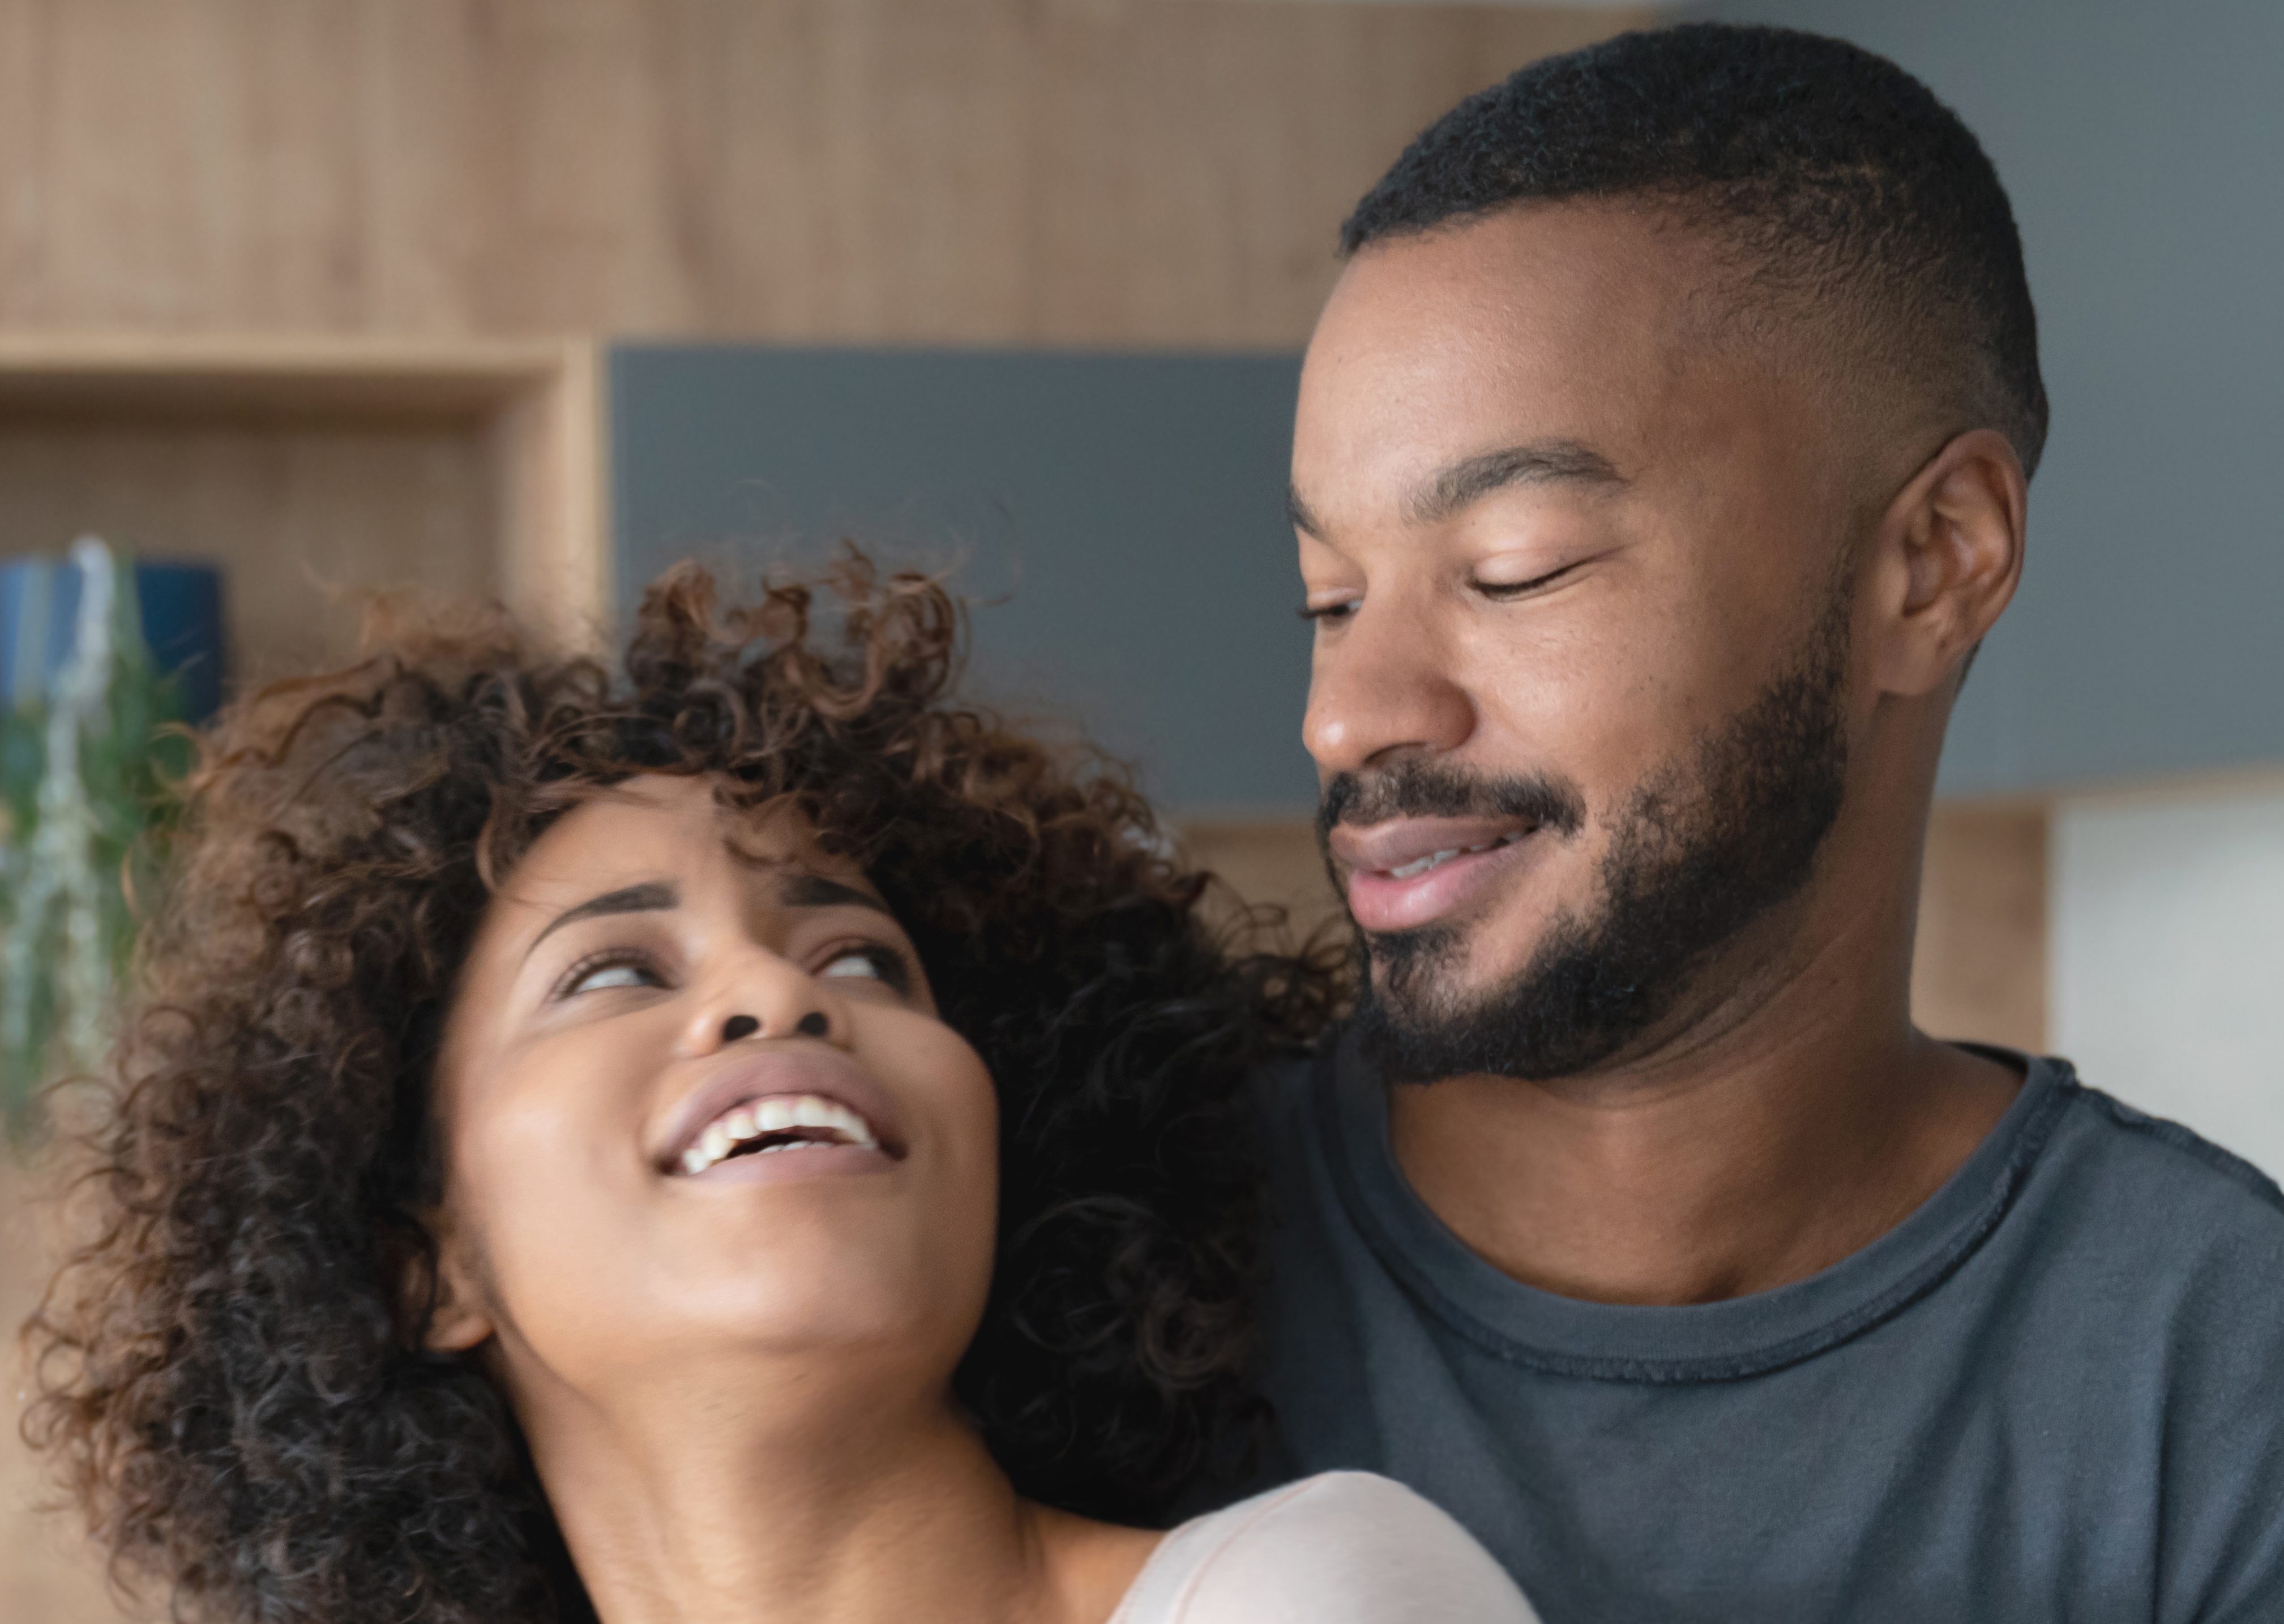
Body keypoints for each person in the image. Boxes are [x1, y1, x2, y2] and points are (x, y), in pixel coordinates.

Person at [1248, 22, 2284, 1622]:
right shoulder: (1102, 1257)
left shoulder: (2213, 1370)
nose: (1348, 714)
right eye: (1328, 595)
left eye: (1513, 567)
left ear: (1933, 563)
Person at [23, 563, 1536, 1624]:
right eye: (615, 973)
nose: (774, 991)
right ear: (425, 1270)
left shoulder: (1304, 1598)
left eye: (867, 961)